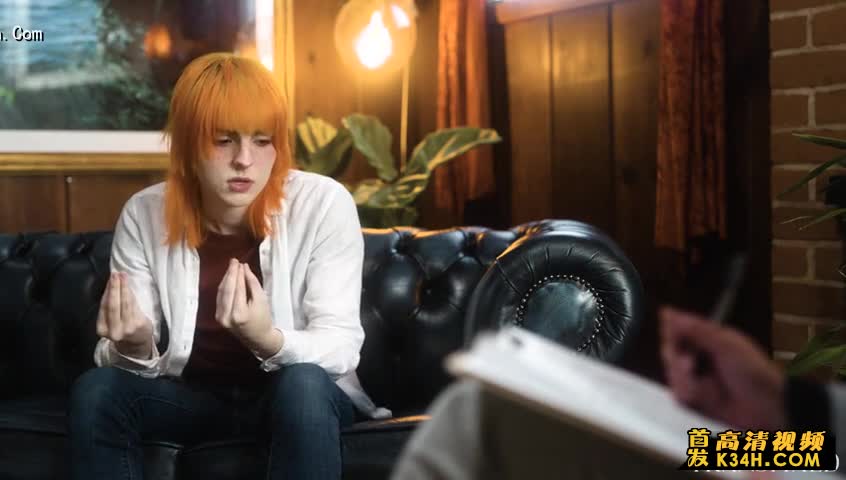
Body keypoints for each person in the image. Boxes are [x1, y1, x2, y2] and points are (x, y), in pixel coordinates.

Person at [67, 52, 385, 480]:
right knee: (97, 389)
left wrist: (267, 339)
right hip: (194, 400)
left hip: (295, 399)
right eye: (223, 140)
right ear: (188, 145)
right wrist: (135, 348)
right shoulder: (144, 213)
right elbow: (120, 353)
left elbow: (341, 344)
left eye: (262, 140)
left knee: (304, 383)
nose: (244, 160)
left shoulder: (323, 203)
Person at [391, 306, 842, 479]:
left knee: (483, 417)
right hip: (810, 449)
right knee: (483, 407)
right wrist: (787, 403)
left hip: (806, 458)